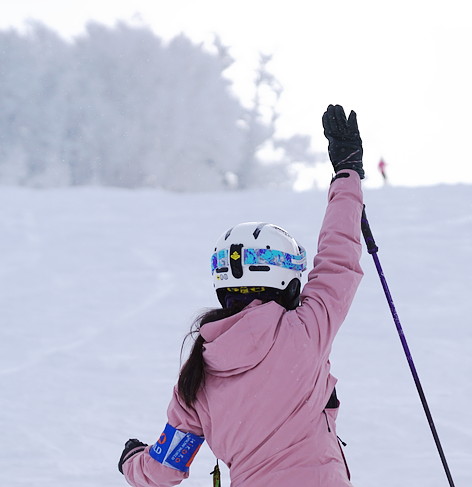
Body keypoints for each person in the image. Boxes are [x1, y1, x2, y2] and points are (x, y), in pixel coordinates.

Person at [118, 104, 365, 487]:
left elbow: (163, 469)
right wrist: (347, 173)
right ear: (289, 282)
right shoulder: (307, 329)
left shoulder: (197, 375)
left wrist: (133, 461)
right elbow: (339, 257)